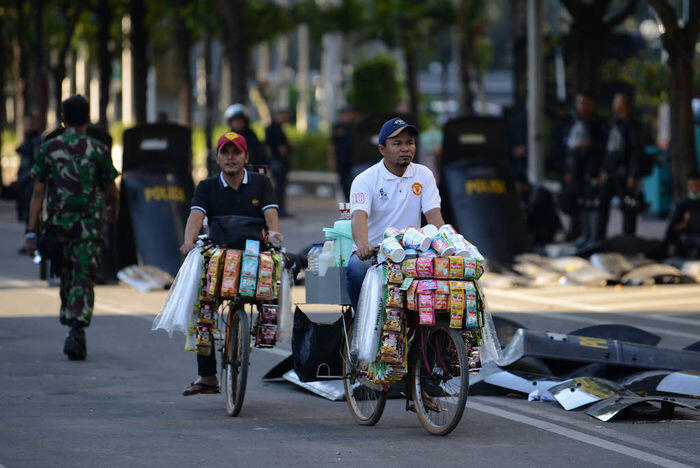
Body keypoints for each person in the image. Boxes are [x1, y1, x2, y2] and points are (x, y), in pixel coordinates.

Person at [179, 131, 282, 396]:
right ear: (217, 157)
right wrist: (188, 241)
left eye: (236, 152)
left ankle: (262, 334)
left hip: (253, 255)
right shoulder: (206, 186)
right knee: (202, 310)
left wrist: (276, 235)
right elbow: (195, 216)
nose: (231, 157)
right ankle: (208, 376)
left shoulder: (261, 183)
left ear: (246, 157)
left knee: (273, 293)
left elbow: (270, 215)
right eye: (225, 152)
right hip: (218, 254)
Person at [24, 95, 119, 360]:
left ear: (63, 119)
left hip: (57, 226)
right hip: (89, 227)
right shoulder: (98, 149)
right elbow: (111, 188)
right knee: (83, 277)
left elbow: (38, 193)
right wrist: (113, 212)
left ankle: (72, 322)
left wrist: (31, 230)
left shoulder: (49, 148)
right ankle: (76, 325)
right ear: (88, 119)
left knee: (66, 276)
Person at [346, 117, 446, 313]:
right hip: (375, 253)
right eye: (397, 143)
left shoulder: (424, 174)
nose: (405, 148)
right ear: (382, 149)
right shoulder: (365, 179)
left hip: (412, 252)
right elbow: (359, 217)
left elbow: (434, 216)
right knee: (357, 268)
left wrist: (448, 243)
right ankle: (360, 324)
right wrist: (362, 246)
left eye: (410, 143)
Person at [563, 92, 608, 245]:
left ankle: (594, 237)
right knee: (578, 203)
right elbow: (567, 149)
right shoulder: (570, 123)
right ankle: (579, 234)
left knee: (593, 204)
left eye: (585, 103)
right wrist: (568, 170)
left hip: (593, 170)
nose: (582, 106)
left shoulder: (599, 124)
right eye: (580, 102)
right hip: (577, 171)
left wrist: (592, 146)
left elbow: (607, 147)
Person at [600, 92, 646, 237]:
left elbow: (635, 151)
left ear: (625, 105)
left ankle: (628, 238)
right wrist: (604, 169)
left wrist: (633, 174)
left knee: (628, 206)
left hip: (625, 172)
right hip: (611, 171)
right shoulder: (614, 123)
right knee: (602, 203)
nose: (615, 104)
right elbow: (609, 150)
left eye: (618, 101)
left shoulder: (632, 125)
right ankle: (598, 237)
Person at [16, 112, 43, 247]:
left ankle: (32, 240)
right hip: (25, 185)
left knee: (32, 214)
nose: (28, 127)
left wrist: (24, 179)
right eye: (26, 124)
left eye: (30, 124)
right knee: (27, 215)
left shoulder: (37, 142)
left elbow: (36, 166)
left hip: (31, 184)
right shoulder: (27, 141)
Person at [515, 175, 562, 246]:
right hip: (538, 229)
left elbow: (532, 210)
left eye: (517, 185)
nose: (516, 188)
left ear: (522, 184)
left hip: (545, 229)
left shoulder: (538, 192)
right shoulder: (525, 195)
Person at [664, 173, 700, 258]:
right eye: (693, 185)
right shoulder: (682, 204)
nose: (695, 187)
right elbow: (671, 229)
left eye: (698, 185)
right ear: (688, 186)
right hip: (688, 238)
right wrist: (685, 223)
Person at [265, 109, 292, 217]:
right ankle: (279, 210)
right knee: (279, 187)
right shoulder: (273, 129)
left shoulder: (276, 128)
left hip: (278, 161)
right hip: (277, 161)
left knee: (281, 186)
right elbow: (278, 146)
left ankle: (280, 209)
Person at [329, 107, 357, 201]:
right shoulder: (338, 127)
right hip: (341, 160)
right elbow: (332, 145)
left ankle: (355, 204)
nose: (348, 117)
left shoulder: (356, 127)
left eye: (350, 114)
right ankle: (346, 205)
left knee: (355, 183)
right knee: (343, 184)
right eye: (345, 114)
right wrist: (332, 161)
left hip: (354, 161)